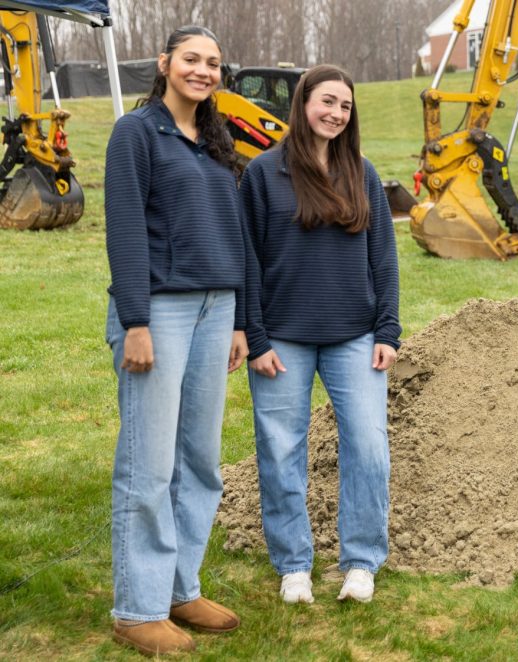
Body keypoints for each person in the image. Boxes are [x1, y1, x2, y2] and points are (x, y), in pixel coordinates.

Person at [104, 25, 247, 655]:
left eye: (213, 62)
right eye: (192, 59)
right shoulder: (136, 134)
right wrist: (135, 319)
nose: (204, 70)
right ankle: (137, 607)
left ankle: (179, 589)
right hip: (158, 312)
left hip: (217, 309)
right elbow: (126, 227)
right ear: (164, 64)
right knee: (149, 464)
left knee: (201, 463)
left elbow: (234, 232)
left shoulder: (217, 141)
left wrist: (240, 320)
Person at [241, 64, 400, 606]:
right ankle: (293, 565)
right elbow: (248, 261)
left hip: (355, 336)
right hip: (281, 337)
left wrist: (388, 329)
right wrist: (256, 339)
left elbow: (384, 258)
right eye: (326, 101)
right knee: (281, 451)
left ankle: (360, 562)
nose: (335, 113)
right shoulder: (263, 174)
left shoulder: (363, 173)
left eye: (345, 106)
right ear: (304, 103)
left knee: (368, 447)